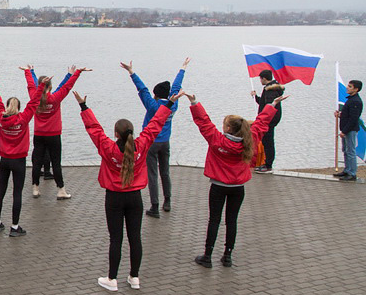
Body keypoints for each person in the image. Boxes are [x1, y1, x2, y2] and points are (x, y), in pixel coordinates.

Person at [75, 89, 178, 291]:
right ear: (131, 132)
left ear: (115, 134)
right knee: (135, 237)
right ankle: (134, 277)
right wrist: (167, 105)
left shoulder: (108, 147)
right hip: (135, 198)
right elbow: (155, 126)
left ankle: (112, 279)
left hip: (114, 198)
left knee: (116, 238)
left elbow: (94, 129)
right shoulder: (141, 145)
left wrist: (83, 106)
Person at [187, 91, 286, 268]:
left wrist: (194, 102)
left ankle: (207, 256)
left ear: (228, 129)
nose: (221, 126)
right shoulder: (251, 139)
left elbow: (204, 122)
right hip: (238, 187)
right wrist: (272, 105)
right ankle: (227, 256)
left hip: (218, 186)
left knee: (214, 220)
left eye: (224, 124)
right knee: (231, 220)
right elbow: (262, 123)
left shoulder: (217, 141)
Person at [120, 58, 190, 218]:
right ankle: (168, 201)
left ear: (156, 95)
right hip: (165, 143)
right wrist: (182, 69)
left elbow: (142, 89)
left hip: (151, 144)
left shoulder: (153, 106)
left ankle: (155, 206)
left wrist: (131, 72)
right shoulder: (174, 105)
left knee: (152, 174)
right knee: (165, 172)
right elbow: (176, 87)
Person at [0, 71, 44, 236]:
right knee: (17, 192)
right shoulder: (23, 119)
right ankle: (15, 227)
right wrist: (42, 85)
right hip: (19, 161)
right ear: (20, 108)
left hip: (4, 160)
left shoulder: (1, 118)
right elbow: (35, 101)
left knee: (1, 190)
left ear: (7, 106)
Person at [26, 65, 88, 200]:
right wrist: (75, 73)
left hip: (39, 134)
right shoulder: (55, 99)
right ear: (50, 86)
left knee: (36, 162)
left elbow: (31, 86)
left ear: (40, 86)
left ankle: (35, 188)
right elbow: (66, 87)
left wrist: (28, 72)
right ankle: (61, 190)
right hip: (53, 135)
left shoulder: (34, 98)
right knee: (56, 163)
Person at [252, 70, 285, 173]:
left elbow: (269, 106)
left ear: (264, 78)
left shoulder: (270, 90)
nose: (260, 81)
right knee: (267, 141)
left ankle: (268, 165)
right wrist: (255, 97)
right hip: (270, 119)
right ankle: (267, 163)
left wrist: (264, 119)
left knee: (268, 142)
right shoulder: (272, 88)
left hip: (269, 120)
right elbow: (264, 103)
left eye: (260, 78)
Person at [335, 80, 363, 181]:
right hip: (346, 129)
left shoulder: (355, 101)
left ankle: (352, 173)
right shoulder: (350, 99)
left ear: (356, 89)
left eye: (350, 86)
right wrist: (340, 115)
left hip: (350, 130)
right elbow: (348, 115)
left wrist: (344, 131)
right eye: (348, 85)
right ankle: (347, 170)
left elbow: (353, 119)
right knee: (345, 150)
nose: (347, 87)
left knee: (350, 151)